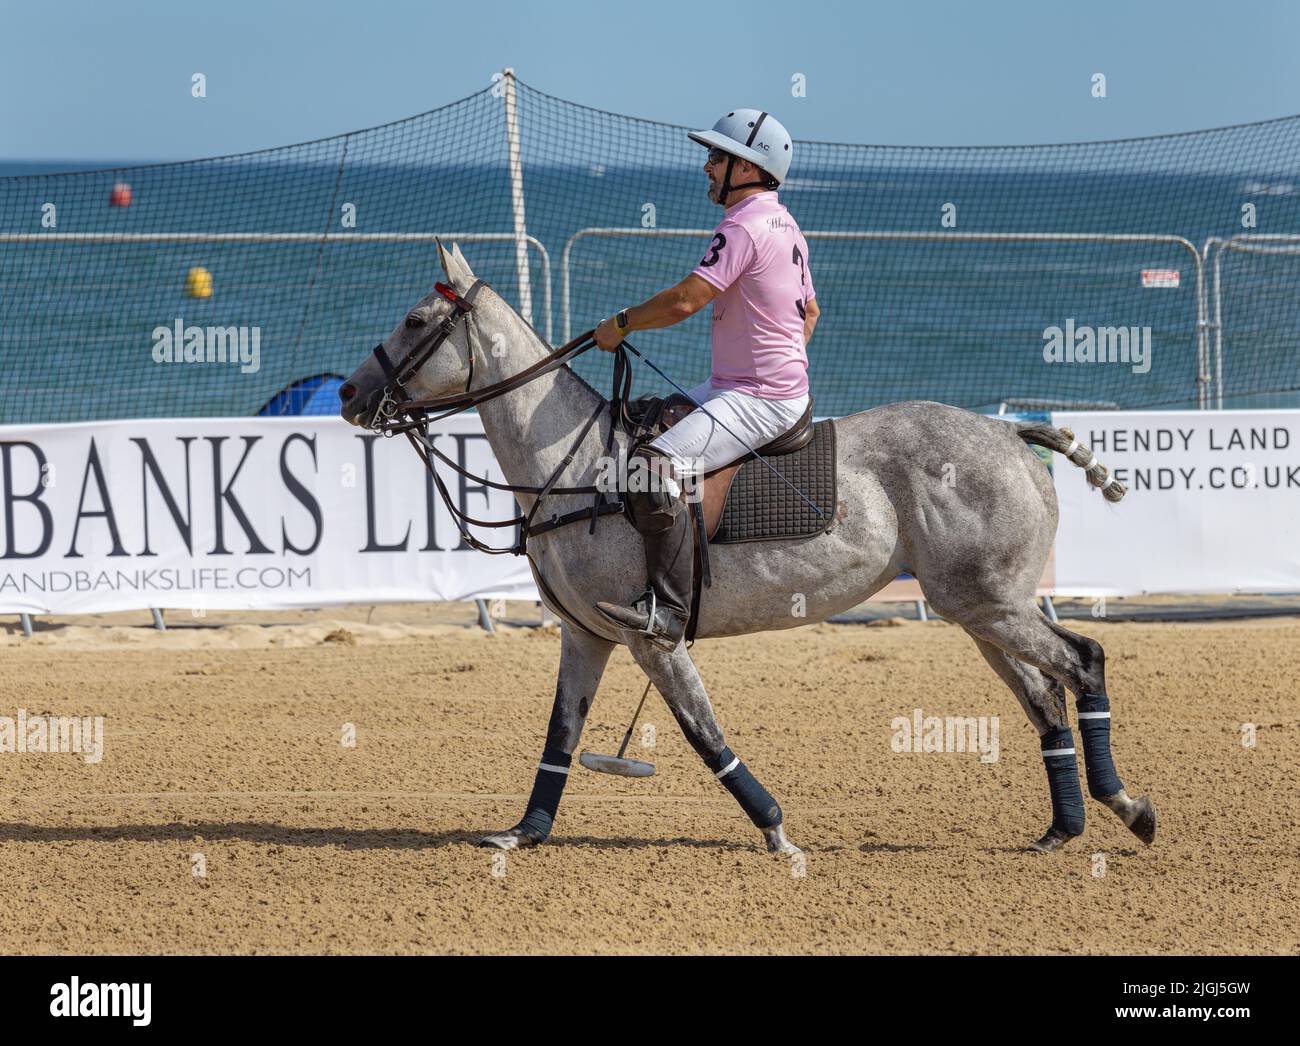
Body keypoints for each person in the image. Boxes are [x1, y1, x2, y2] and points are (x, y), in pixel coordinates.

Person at [593, 108, 820, 650]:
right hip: (749, 388)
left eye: (717, 157)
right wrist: (782, 362)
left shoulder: (743, 224)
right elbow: (811, 313)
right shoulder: (785, 223)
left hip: (758, 399)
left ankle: (670, 610)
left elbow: (687, 299)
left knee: (650, 468)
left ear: (748, 167)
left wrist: (619, 324)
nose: (707, 166)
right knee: (646, 418)